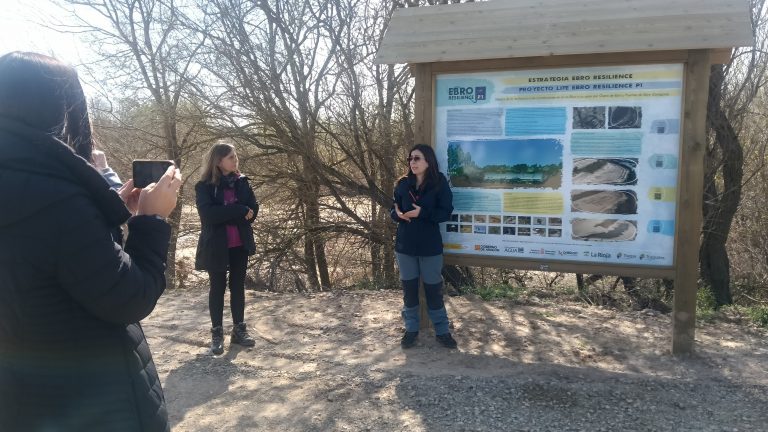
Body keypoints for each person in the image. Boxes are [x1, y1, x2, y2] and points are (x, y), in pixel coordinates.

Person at [0, 51, 180, 431]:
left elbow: (44, 265)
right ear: (64, 110)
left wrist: (104, 213)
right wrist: (151, 220)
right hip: (94, 403)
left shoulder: (24, 182)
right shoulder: (56, 198)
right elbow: (127, 297)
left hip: (23, 397)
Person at [390, 144, 458, 349]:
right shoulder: (402, 184)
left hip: (430, 247)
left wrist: (422, 213)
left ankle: (442, 331)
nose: (412, 162)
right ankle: (411, 330)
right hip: (405, 246)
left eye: (417, 158)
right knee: (409, 291)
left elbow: (445, 212)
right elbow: (392, 209)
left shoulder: (439, 183)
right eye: (410, 159)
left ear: (428, 161)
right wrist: (397, 215)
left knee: (433, 291)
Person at [195, 142, 259, 355]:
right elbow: (208, 216)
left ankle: (239, 330)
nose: (235, 160)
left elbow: (254, 210)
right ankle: (217, 332)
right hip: (216, 245)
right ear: (218, 161)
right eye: (231, 157)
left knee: (238, 287)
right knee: (218, 288)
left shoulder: (242, 182)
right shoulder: (204, 186)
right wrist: (239, 210)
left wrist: (236, 211)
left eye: (235, 156)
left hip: (240, 244)